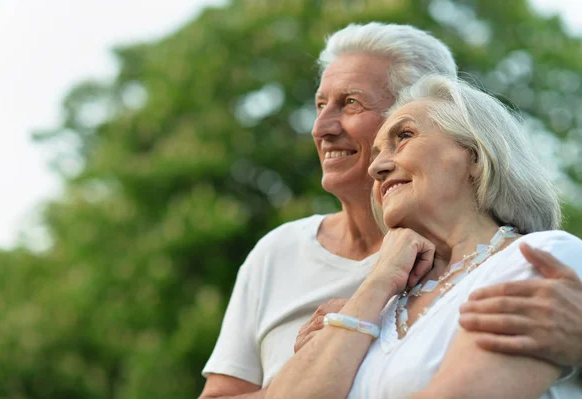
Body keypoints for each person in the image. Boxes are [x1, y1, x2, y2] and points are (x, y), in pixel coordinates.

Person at [199, 23, 582, 399]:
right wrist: (372, 289)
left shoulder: (537, 257)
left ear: (476, 153)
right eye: (319, 105)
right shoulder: (378, 303)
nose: (320, 127)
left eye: (351, 102)